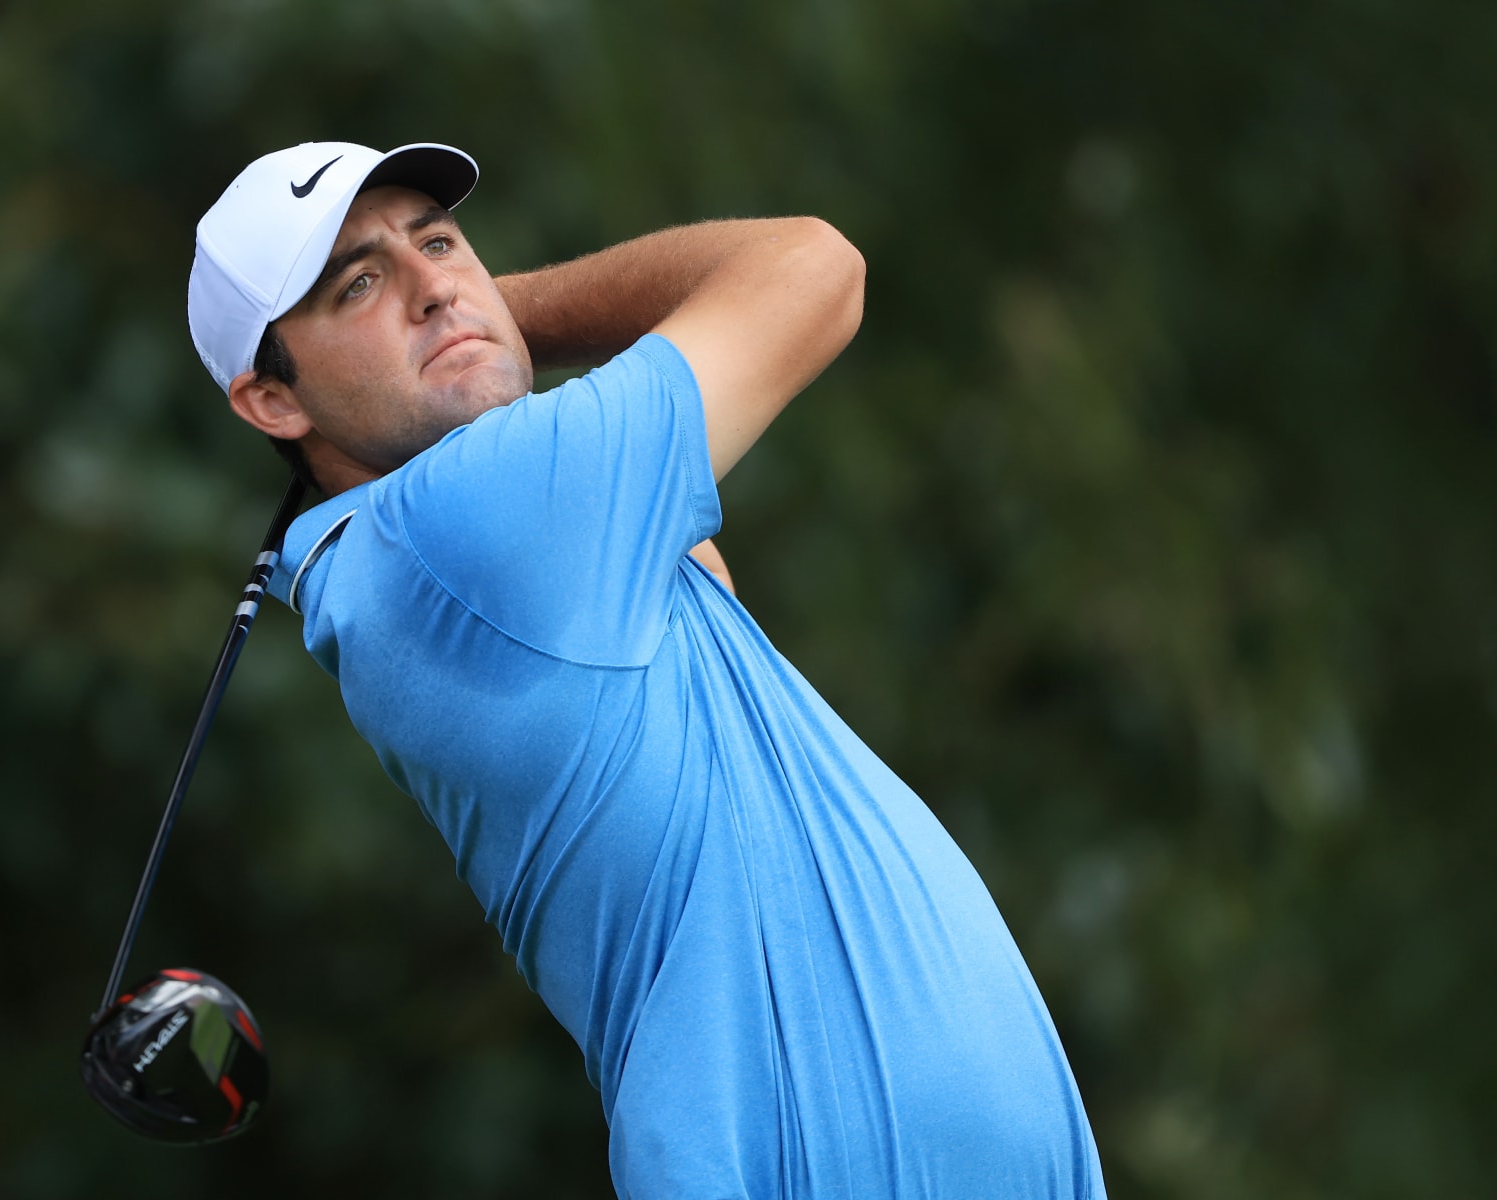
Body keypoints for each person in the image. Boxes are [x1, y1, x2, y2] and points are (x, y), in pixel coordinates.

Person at [187, 141, 1106, 1199]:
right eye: (360, 284)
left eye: (440, 243)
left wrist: (464, 323)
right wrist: (503, 312)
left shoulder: (515, 543)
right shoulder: (483, 513)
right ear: (272, 403)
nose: (434, 285)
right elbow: (814, 267)